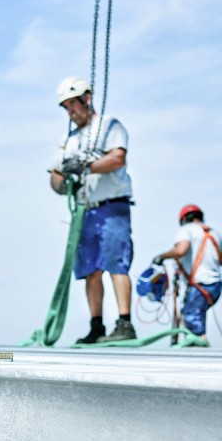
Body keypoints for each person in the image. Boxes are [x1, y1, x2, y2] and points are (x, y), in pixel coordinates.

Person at [49, 76, 137, 344]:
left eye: (72, 104)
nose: (70, 112)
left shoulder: (109, 125)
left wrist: (85, 167)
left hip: (112, 207)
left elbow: (117, 158)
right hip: (85, 212)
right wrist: (65, 183)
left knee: (116, 263)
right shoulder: (69, 139)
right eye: (65, 107)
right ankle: (96, 326)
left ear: (87, 99)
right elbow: (55, 175)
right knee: (90, 268)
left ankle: (124, 324)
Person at [152, 204, 222, 345]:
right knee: (193, 314)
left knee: (190, 317)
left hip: (200, 283)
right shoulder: (214, 232)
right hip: (215, 285)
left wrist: (161, 257)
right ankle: (196, 344)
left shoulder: (187, 230)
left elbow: (181, 250)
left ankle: (198, 348)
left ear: (184, 219)